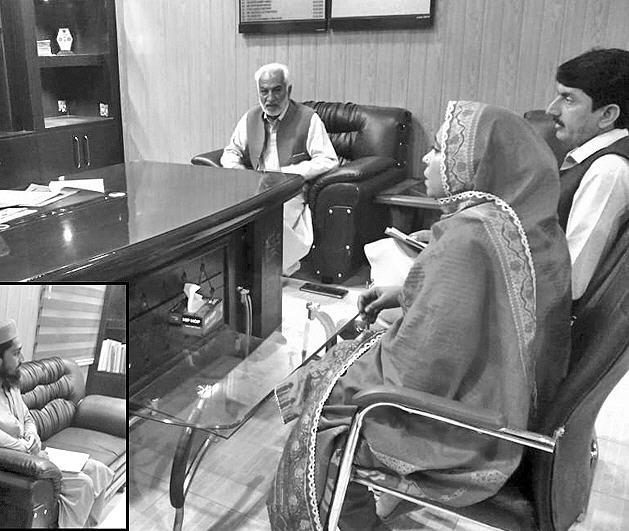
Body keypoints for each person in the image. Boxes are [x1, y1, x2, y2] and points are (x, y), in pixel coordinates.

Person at [268, 101, 572, 530]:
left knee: (322, 414)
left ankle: (356, 522)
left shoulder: (469, 237)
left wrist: (344, 372)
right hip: (513, 405)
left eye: (439, 150)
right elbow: (473, 314)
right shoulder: (524, 222)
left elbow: (420, 368)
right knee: (338, 364)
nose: (427, 159)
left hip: (468, 432)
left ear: (476, 165)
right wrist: (404, 295)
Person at [0, 319, 114, 528]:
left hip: (35, 452)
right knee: (83, 484)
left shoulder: (10, 383)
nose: (22, 359)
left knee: (99, 469)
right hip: (17, 461)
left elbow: (27, 418)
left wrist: (32, 434)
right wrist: (24, 447)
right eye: (16, 354)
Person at [221, 63, 338, 275]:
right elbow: (230, 152)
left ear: (288, 90)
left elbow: (328, 159)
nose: (270, 98)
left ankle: (268, 273)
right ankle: (233, 271)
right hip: (254, 187)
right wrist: (240, 172)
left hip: (289, 191)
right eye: (264, 91)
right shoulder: (250, 118)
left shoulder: (308, 118)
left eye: (276, 90)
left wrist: (289, 173)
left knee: (270, 218)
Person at [545, 48, 629, 301]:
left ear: (607, 115)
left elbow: (571, 279)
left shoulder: (608, 171)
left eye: (568, 99)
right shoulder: (592, 159)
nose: (552, 109)